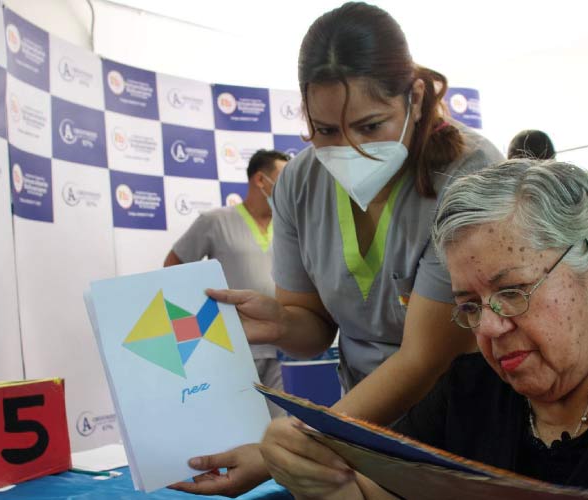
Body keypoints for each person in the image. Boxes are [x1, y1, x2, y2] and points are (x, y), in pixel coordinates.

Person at [169, 2, 503, 495]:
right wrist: (282, 322)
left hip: (464, 422)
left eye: (371, 126)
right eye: (325, 131)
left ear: (413, 98)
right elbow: (313, 327)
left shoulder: (468, 175)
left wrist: (281, 453)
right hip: (360, 426)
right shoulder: (300, 183)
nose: (349, 150)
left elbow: (423, 359)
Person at [259, 160, 588, 500]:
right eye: (469, 305)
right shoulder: (467, 395)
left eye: (512, 292)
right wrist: (328, 483)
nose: (488, 327)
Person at [164, 149, 289, 418]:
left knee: (280, 430)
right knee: (241, 424)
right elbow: (173, 266)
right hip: (234, 344)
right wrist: (197, 323)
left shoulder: (288, 225)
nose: (289, 186)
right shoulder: (215, 221)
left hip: (285, 345)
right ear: (260, 180)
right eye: (283, 177)